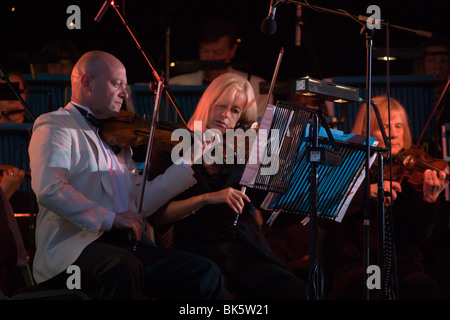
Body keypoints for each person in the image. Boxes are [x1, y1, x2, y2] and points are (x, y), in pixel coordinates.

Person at [28, 50, 228, 300]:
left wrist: (187, 161)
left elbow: (140, 203)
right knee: (122, 266)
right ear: (87, 82)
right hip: (71, 252)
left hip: (123, 247)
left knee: (204, 272)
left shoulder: (119, 137)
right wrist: (111, 218)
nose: (125, 93)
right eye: (116, 84)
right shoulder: (55, 125)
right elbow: (50, 189)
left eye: (125, 85)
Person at [150, 73, 307, 299]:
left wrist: (281, 166)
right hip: (197, 254)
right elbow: (159, 217)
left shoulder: (245, 150)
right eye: (220, 105)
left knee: (295, 291)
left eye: (235, 110)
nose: (225, 115)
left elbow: (268, 206)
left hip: (245, 252)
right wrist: (206, 198)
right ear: (207, 104)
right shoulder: (174, 145)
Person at [319, 95, 449, 300]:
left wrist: (430, 203)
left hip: (403, 265)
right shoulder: (348, 165)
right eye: (385, 126)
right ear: (365, 130)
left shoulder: (412, 172)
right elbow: (324, 217)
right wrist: (366, 192)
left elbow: (418, 235)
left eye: (399, 126)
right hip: (358, 265)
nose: (394, 134)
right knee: (368, 290)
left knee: (426, 289)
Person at [169, 18, 271, 119]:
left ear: (233, 50)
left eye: (218, 53)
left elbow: (262, 131)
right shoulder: (175, 85)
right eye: (205, 51)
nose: (210, 59)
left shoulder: (257, 87)